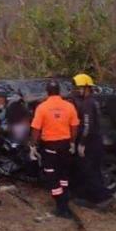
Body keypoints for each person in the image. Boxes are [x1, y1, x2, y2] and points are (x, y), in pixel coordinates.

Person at [30, 80, 79, 219]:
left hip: (50, 148)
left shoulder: (42, 107)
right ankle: (65, 198)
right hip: (65, 146)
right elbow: (75, 127)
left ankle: (61, 207)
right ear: (59, 91)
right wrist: (72, 142)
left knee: (52, 177)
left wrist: (33, 146)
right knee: (63, 175)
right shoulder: (69, 106)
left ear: (47, 92)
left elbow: (36, 129)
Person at [71, 73, 112, 208]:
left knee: (90, 171)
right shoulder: (94, 101)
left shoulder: (88, 103)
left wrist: (82, 144)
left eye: (80, 87)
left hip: (91, 142)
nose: (78, 90)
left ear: (87, 87)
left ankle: (103, 199)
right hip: (96, 141)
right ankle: (90, 197)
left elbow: (88, 125)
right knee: (92, 170)